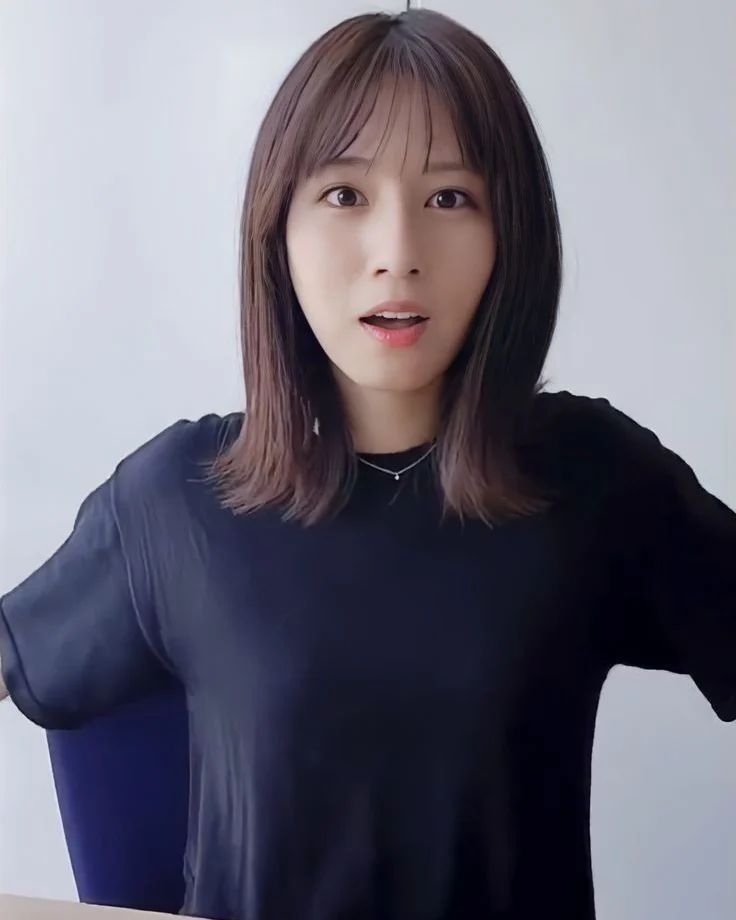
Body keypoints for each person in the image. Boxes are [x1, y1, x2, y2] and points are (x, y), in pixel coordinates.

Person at [0, 9, 734, 920]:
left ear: (512, 234)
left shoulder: (590, 477)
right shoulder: (175, 498)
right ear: (279, 230)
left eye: (450, 198)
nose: (398, 256)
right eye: (345, 195)